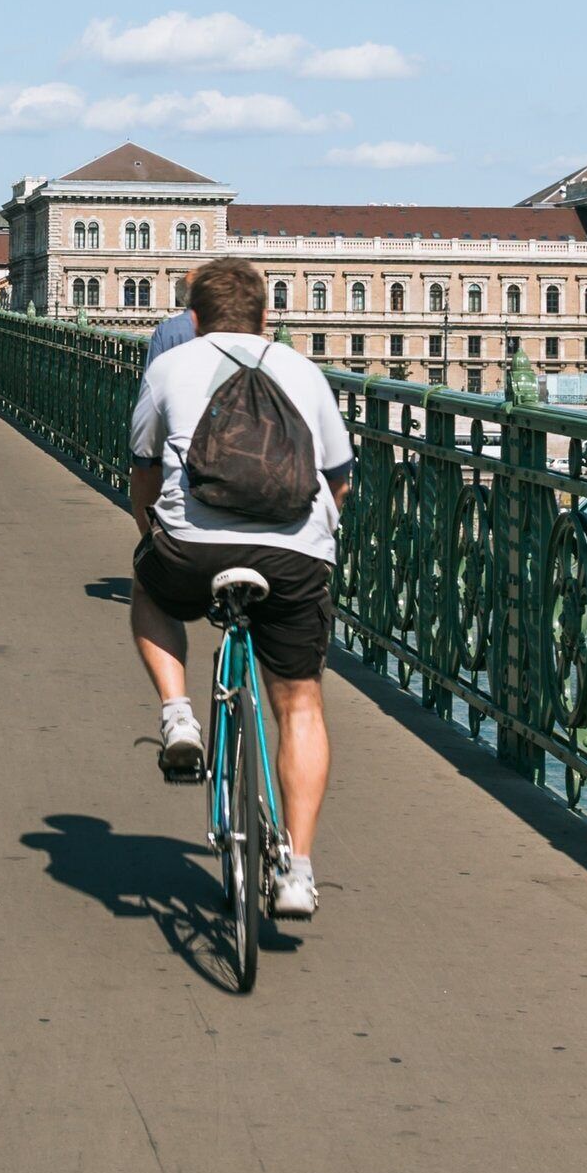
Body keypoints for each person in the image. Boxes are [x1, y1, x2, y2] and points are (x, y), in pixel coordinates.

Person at [129, 255, 352, 919]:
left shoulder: (170, 365)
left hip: (194, 546)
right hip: (293, 554)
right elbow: (338, 477)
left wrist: (148, 531)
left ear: (193, 319)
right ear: (268, 318)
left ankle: (177, 716)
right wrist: (318, 542)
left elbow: (143, 464)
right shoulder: (304, 370)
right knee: (302, 704)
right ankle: (297, 872)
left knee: (149, 591)